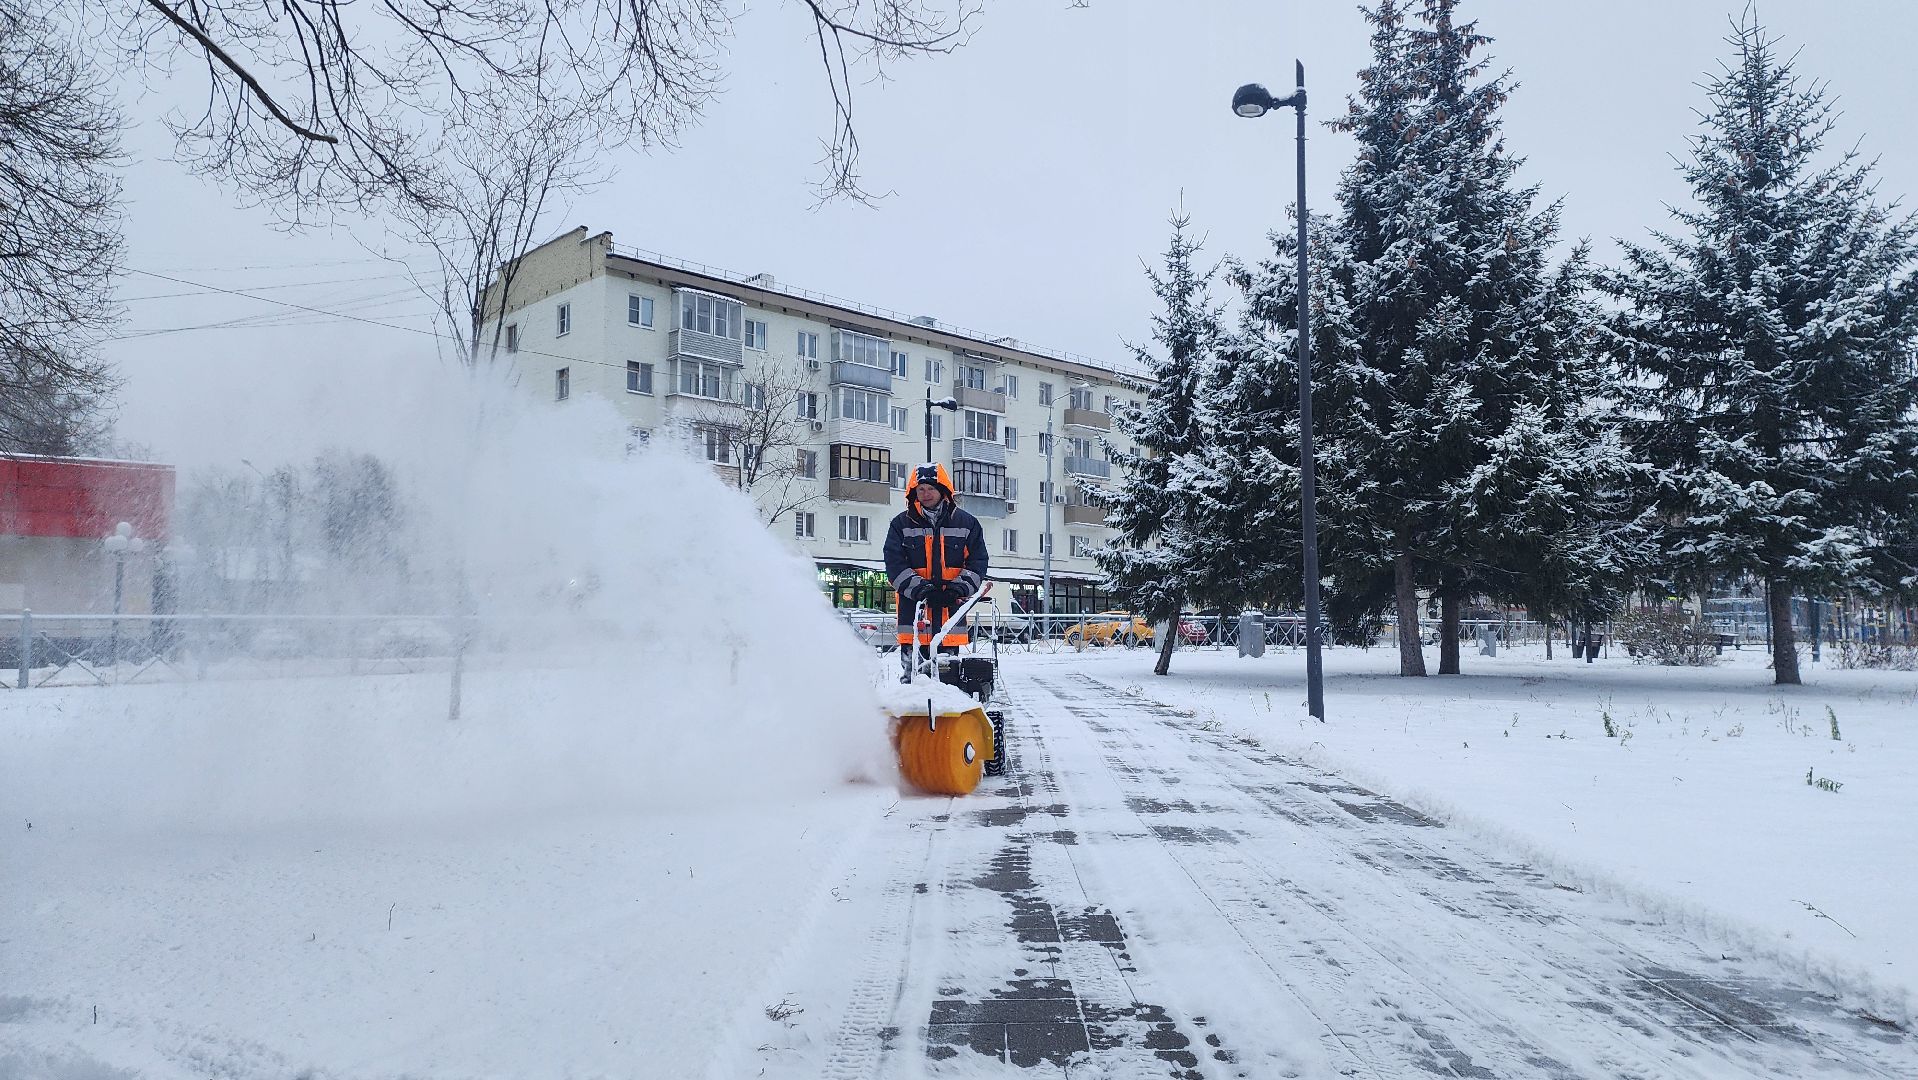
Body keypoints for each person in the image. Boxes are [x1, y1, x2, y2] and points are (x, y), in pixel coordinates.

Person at [884, 462, 989, 680]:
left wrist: (957, 589)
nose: (926, 494)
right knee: (912, 679)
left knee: (948, 679)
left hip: (951, 615)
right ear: (914, 492)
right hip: (914, 615)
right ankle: (913, 715)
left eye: (931, 488)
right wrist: (923, 590)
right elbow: (894, 565)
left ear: (943, 490)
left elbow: (978, 563)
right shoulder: (900, 524)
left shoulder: (967, 523)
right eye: (920, 489)